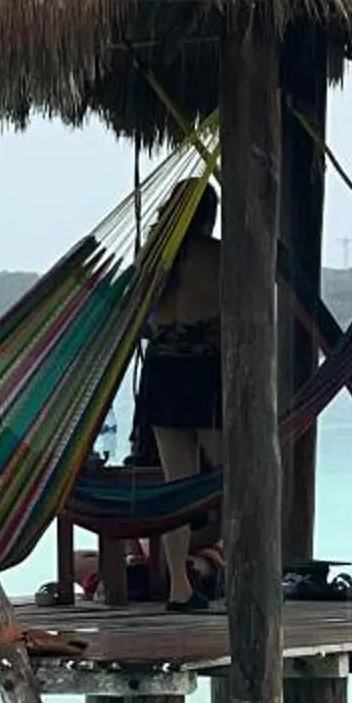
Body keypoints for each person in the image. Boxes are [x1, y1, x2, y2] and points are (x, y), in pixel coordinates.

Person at [137, 183, 224, 610]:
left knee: (178, 489)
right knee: (234, 484)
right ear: (209, 215)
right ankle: (243, 579)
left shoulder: (152, 262)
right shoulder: (219, 257)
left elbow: (136, 320)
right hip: (206, 374)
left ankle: (179, 588)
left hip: (161, 374)